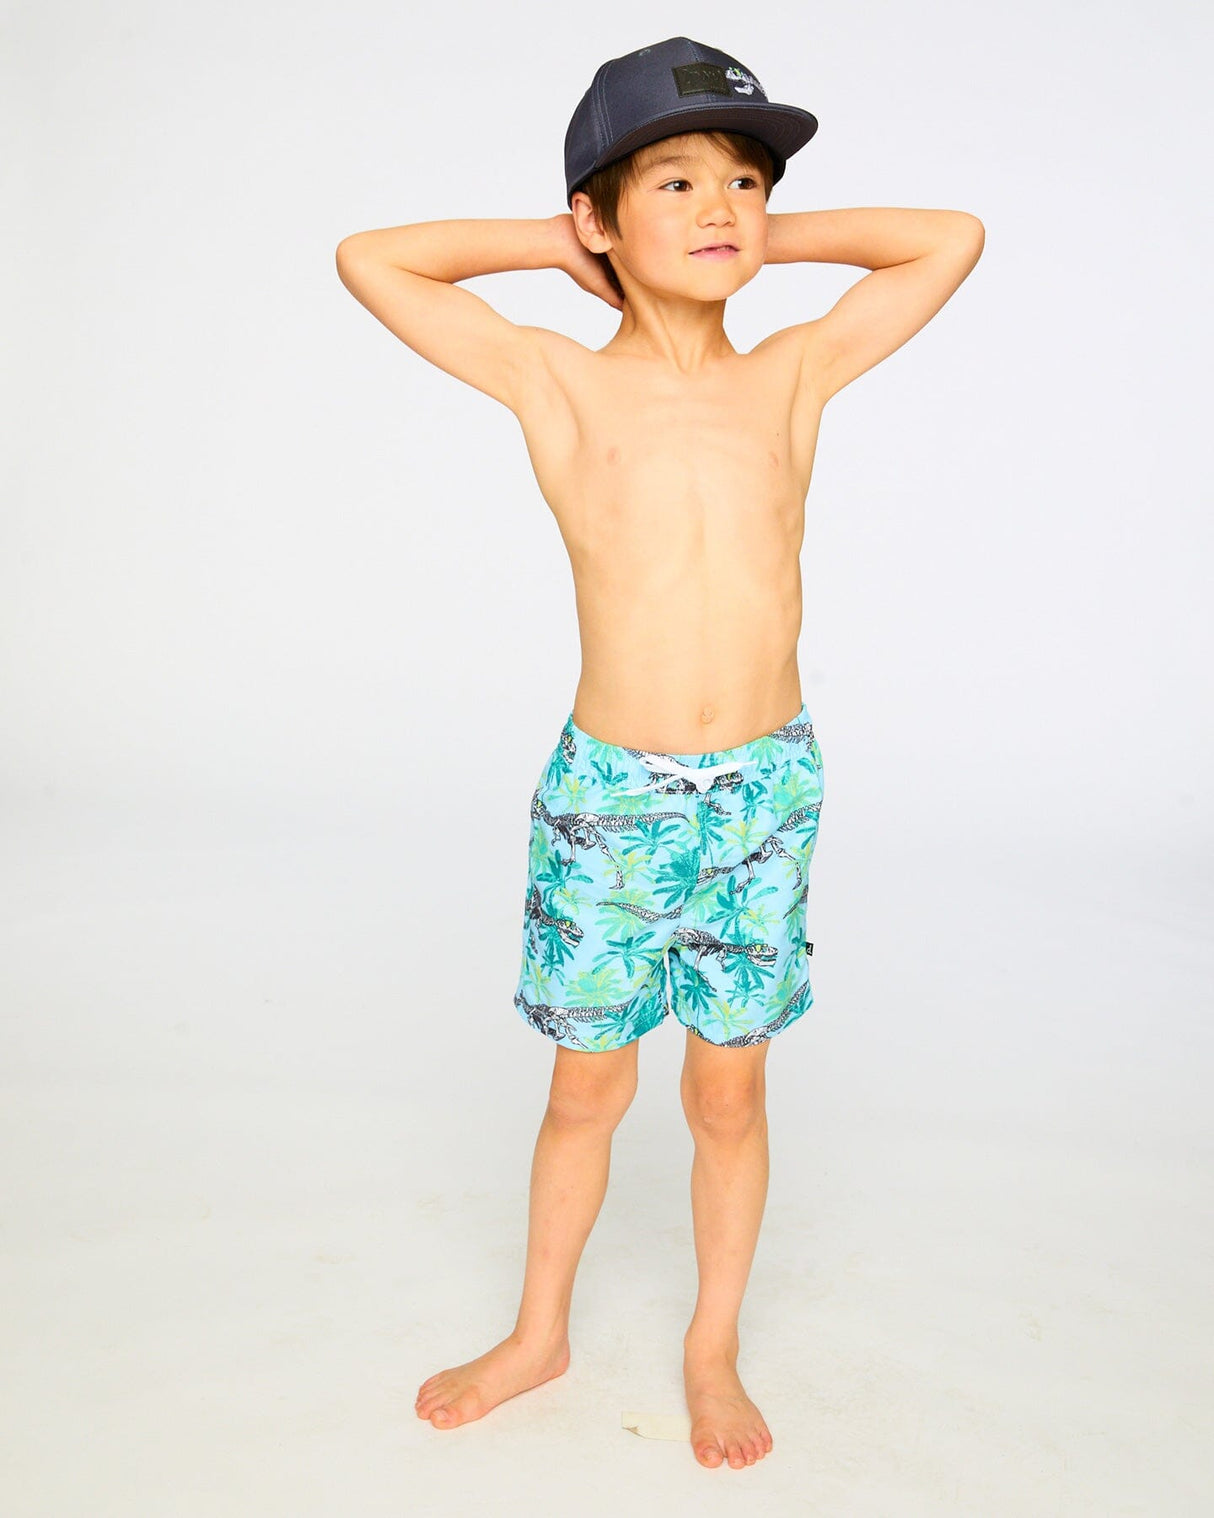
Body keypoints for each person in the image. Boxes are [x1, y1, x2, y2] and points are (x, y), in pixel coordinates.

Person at [336, 34, 983, 1471]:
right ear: (602, 215)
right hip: (611, 796)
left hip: (762, 787)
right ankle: (538, 1327)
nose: (721, 206)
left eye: (743, 184)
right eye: (678, 182)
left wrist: (749, 240)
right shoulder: (560, 383)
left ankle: (709, 1342)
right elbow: (370, 258)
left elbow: (950, 238)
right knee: (585, 1086)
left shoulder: (794, 375)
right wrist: (571, 243)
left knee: (728, 1088)